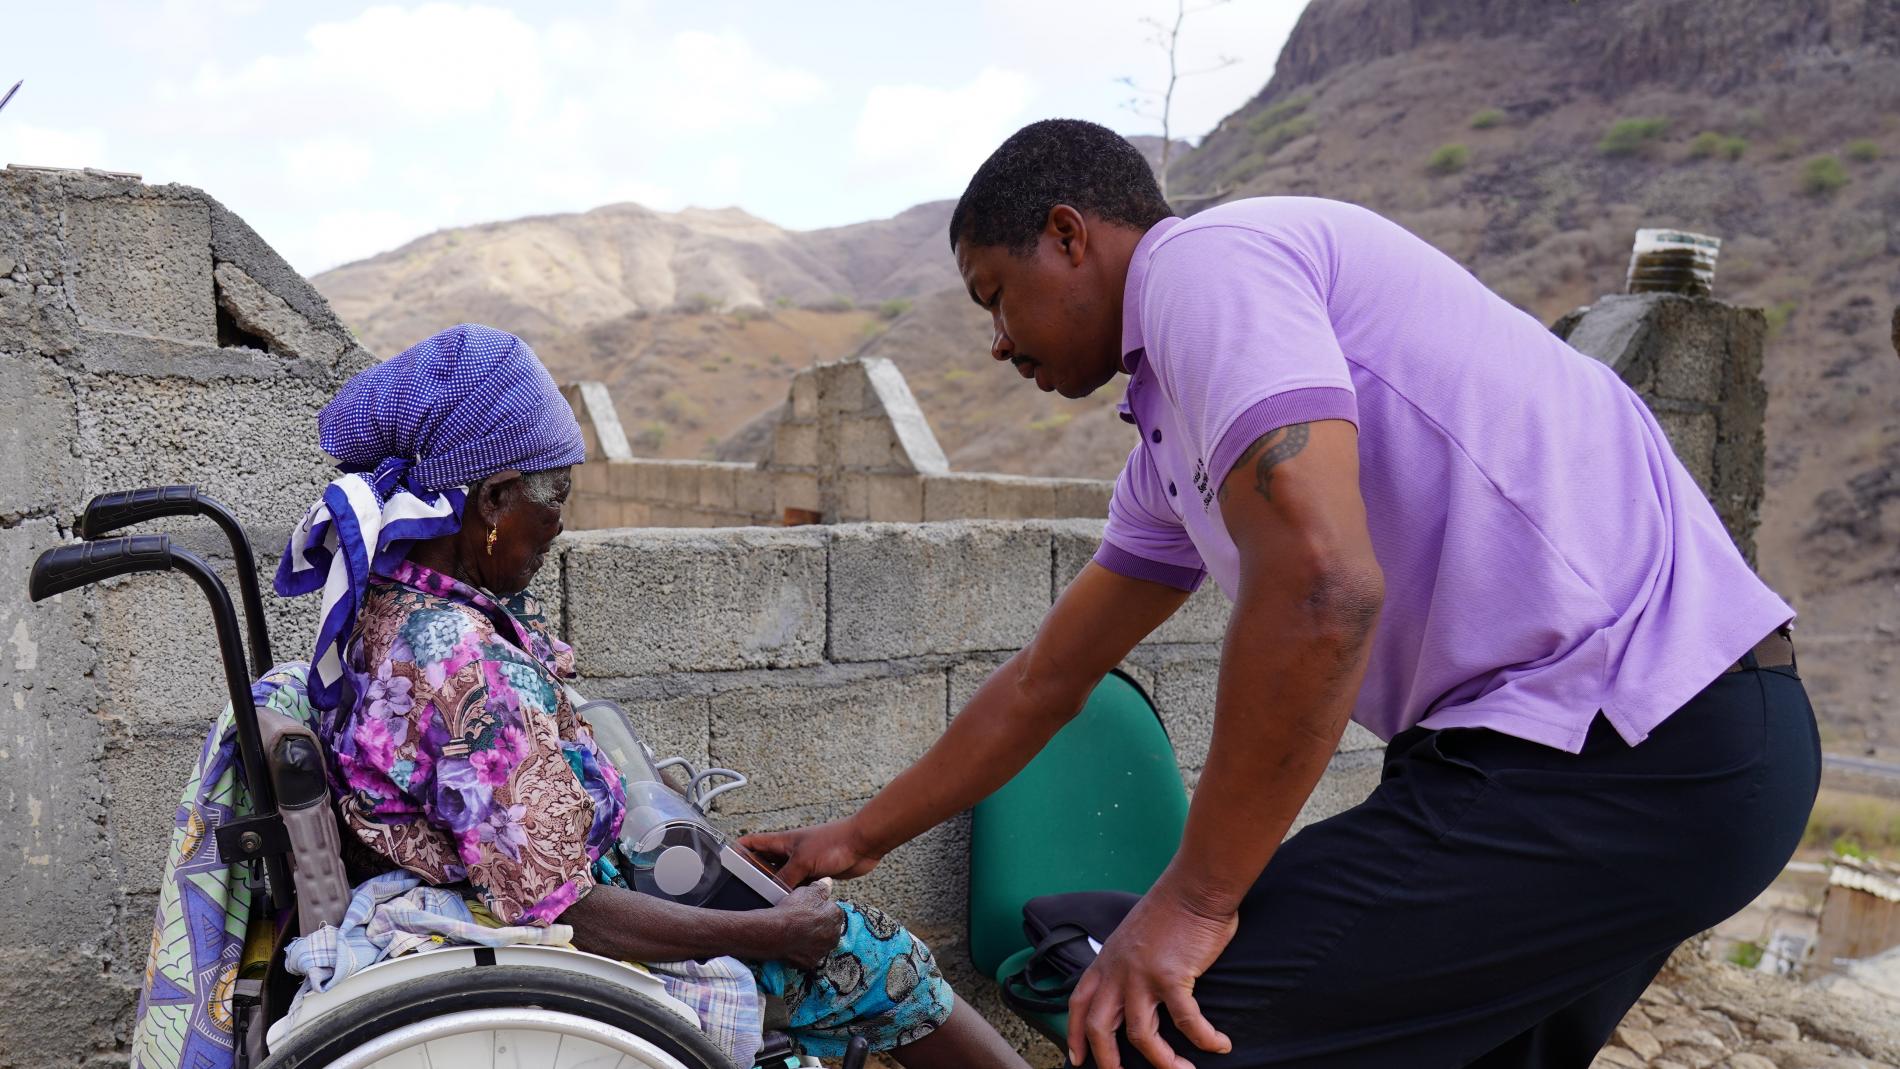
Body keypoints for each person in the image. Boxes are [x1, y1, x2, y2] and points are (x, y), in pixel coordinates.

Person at [742, 120, 1819, 1068]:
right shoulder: (1172, 444)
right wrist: (857, 836)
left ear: (1069, 235)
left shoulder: (1206, 267)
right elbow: (1047, 680)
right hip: (1667, 750)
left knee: (1158, 1032)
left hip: (1628, 741)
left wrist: (1192, 903)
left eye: (997, 296)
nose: (997, 340)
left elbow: (1323, 588)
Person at [276, 323, 1027, 1069]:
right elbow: (565, 909)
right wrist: (773, 933)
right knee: (873, 959)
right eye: (556, 496)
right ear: (496, 498)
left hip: (556, 879)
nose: (560, 523)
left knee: (812, 915)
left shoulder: (393, 605)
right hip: (578, 927)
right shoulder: (461, 663)